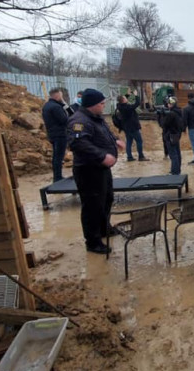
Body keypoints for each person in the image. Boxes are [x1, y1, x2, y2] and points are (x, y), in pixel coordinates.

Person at [67, 88, 125, 254]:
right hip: (88, 170)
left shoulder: (96, 118)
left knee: (106, 199)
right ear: (92, 104)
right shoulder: (79, 121)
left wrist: (116, 141)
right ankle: (92, 242)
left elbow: (105, 134)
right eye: (101, 103)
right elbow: (78, 144)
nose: (103, 105)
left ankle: (104, 228)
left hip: (101, 169)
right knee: (92, 205)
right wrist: (102, 156)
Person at [42, 87, 71, 182]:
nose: (62, 98)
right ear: (57, 95)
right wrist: (64, 106)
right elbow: (64, 120)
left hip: (52, 134)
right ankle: (58, 178)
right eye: (61, 96)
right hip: (60, 134)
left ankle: (57, 176)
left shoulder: (46, 106)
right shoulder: (56, 107)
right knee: (58, 157)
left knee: (56, 156)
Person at [116, 90, 148, 161]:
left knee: (129, 142)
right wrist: (136, 95)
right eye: (125, 98)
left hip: (126, 128)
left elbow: (121, 100)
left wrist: (127, 94)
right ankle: (141, 156)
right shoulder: (127, 108)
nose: (126, 98)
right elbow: (137, 103)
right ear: (123, 100)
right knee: (139, 141)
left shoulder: (119, 106)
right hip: (133, 127)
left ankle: (129, 157)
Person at [161, 97, 184, 175]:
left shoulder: (171, 114)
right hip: (176, 134)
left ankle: (175, 172)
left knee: (173, 154)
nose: (167, 104)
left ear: (171, 104)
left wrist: (161, 116)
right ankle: (177, 170)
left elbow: (163, 124)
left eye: (168, 103)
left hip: (170, 135)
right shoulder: (179, 112)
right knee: (177, 153)